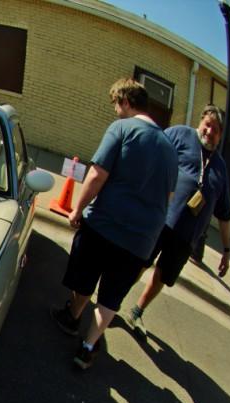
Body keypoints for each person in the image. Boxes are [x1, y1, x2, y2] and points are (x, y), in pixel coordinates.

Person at [50, 78, 178, 370]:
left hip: (105, 225)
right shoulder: (170, 150)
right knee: (111, 296)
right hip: (140, 240)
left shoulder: (122, 128)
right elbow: (168, 197)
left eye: (116, 105)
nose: (115, 112)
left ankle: (72, 316)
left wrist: (77, 209)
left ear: (126, 101)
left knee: (85, 276)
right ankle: (88, 345)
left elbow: (96, 175)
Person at [127, 104, 230, 334]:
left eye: (215, 129)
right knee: (140, 262)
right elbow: (151, 156)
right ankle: (114, 299)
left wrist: (226, 249)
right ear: (201, 121)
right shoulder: (179, 134)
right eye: (207, 125)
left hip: (186, 237)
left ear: (220, 134)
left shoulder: (221, 169)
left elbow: (224, 214)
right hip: (160, 221)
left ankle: (136, 311)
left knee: (163, 276)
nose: (209, 132)